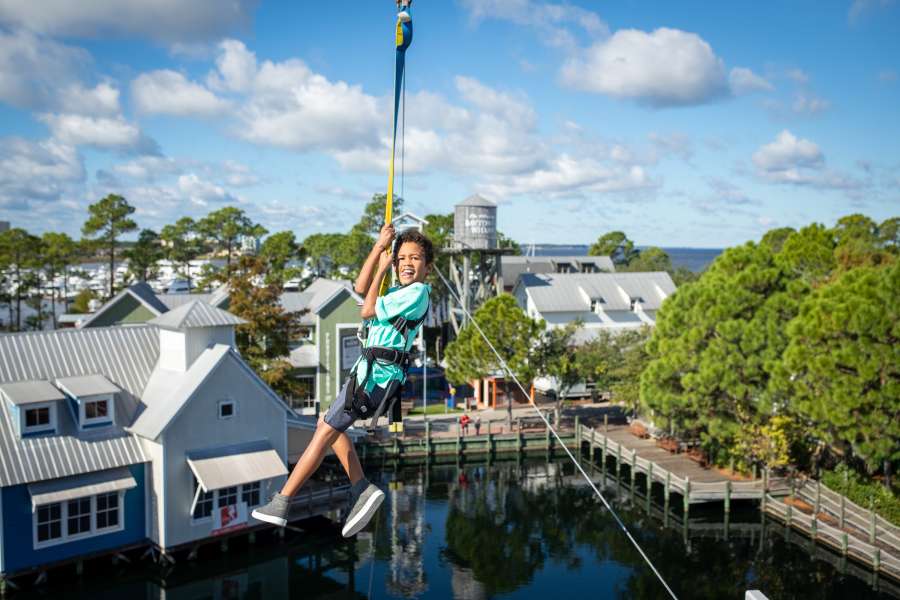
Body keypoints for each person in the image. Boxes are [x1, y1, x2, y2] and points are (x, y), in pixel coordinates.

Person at [252, 223, 433, 537]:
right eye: (402, 258)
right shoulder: (397, 292)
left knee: (324, 433)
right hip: (365, 376)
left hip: (375, 380)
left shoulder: (416, 293)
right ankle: (361, 487)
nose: (407, 263)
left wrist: (384, 268)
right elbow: (362, 288)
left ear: (427, 268)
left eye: (415, 258)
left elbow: (367, 310)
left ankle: (283, 502)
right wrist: (379, 248)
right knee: (328, 427)